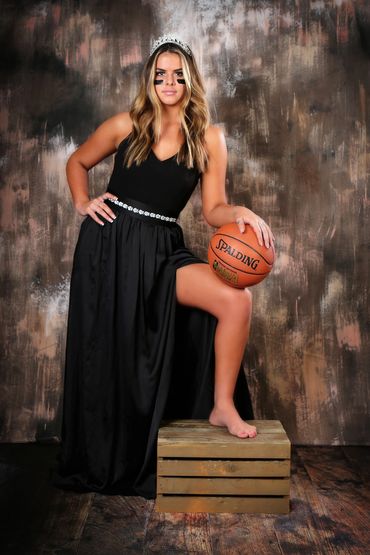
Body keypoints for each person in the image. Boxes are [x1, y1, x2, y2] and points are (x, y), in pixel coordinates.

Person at [51, 35, 275, 499]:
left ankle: (222, 407)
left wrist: (241, 214)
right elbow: (77, 161)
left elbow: (212, 209)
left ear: (189, 79)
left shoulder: (208, 138)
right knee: (113, 353)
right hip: (110, 247)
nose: (168, 82)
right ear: (149, 81)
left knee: (236, 301)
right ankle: (109, 447)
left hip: (163, 249)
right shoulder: (124, 125)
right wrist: (82, 201)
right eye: (159, 74)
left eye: (177, 74)